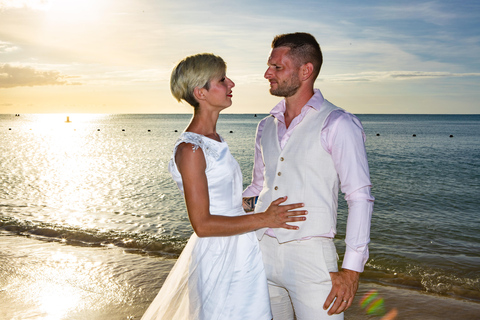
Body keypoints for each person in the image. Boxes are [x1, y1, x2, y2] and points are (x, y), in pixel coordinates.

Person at [141, 53, 307, 320]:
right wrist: (265, 219)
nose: (231, 84)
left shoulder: (213, 139)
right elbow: (203, 225)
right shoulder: (192, 149)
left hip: (240, 250)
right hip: (218, 254)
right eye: (221, 79)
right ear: (201, 92)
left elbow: (226, 200)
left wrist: (263, 200)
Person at [242, 32, 374, 319]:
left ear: (306, 70)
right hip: (261, 252)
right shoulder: (265, 126)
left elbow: (359, 197)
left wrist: (351, 270)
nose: (267, 73)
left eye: (277, 67)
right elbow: (258, 187)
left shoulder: (338, 123)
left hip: (311, 258)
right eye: (269, 65)